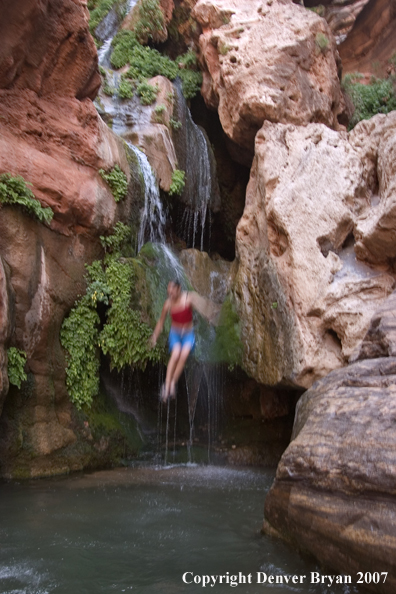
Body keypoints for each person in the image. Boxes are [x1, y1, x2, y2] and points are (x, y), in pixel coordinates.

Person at [150, 280, 219, 403]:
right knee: (176, 353)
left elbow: (204, 306)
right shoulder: (168, 304)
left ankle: (172, 383)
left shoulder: (189, 298)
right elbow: (161, 322)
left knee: (184, 354)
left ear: (179, 289)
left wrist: (210, 314)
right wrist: (154, 337)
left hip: (188, 334)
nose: (170, 295)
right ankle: (166, 384)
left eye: (172, 292)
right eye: (169, 293)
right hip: (175, 334)